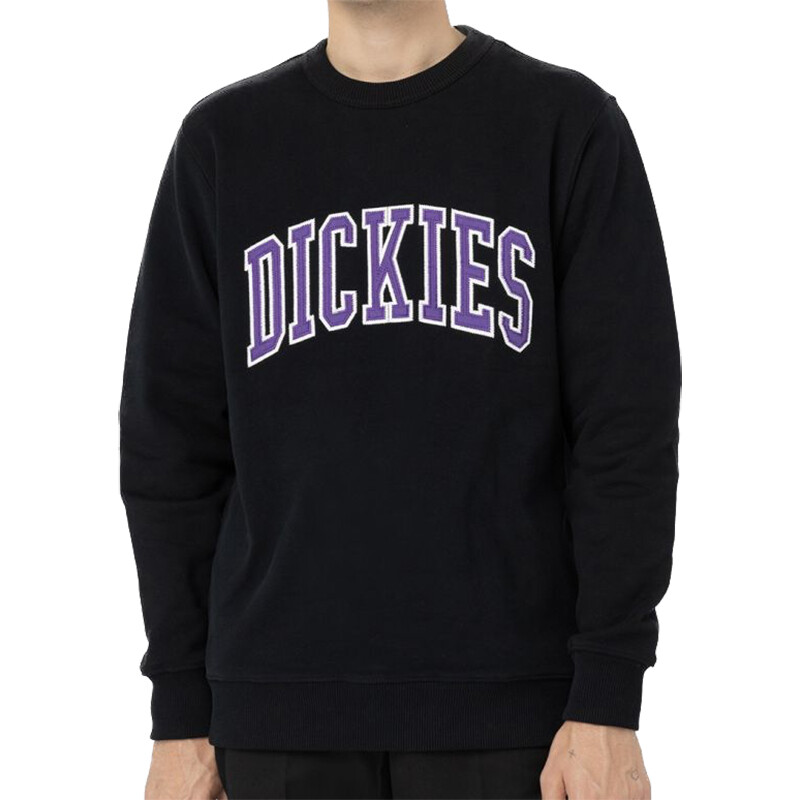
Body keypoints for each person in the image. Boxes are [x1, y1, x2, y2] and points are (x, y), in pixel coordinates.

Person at [118, 0, 681, 797]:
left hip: (520, 722)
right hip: (273, 719)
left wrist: (609, 696)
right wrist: (178, 712)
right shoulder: (224, 142)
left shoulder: (566, 126)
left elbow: (626, 430)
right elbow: (169, 448)